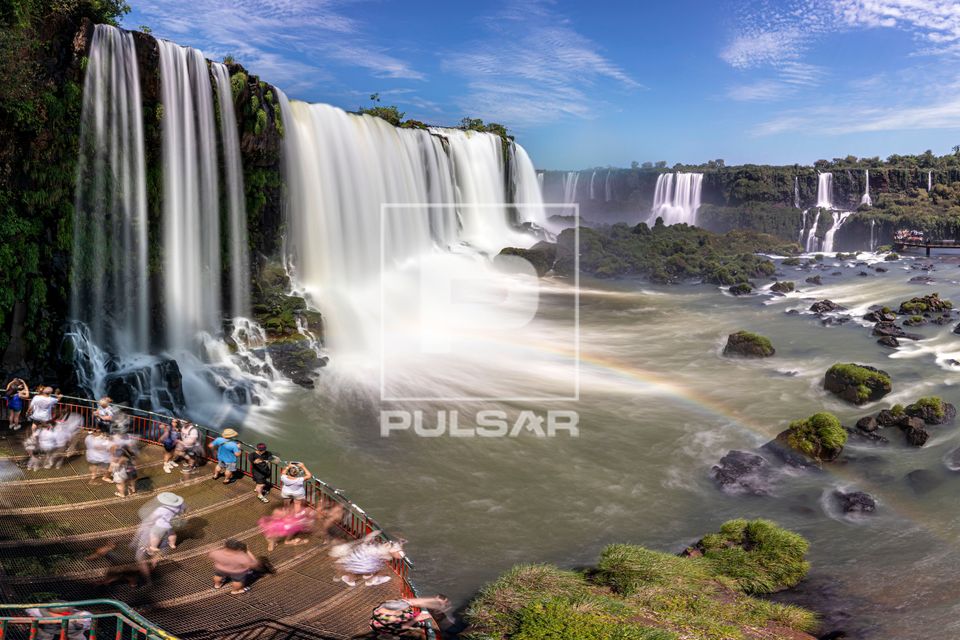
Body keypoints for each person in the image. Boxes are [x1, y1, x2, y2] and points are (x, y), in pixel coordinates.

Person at [332, 530, 406, 587]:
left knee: (356, 569)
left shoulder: (380, 536)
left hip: (363, 554)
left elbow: (367, 540)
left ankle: (352, 578)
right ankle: (369, 579)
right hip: (367, 557)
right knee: (381, 570)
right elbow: (398, 555)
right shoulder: (392, 546)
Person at [369, 596, 448, 639]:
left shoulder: (382, 607)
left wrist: (435, 599)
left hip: (391, 623)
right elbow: (405, 626)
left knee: (415, 614)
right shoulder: (394, 621)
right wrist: (418, 618)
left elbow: (411, 601)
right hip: (391, 628)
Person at [25, 605, 92, 640]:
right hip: (48, 629)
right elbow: (29, 612)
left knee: (75, 631)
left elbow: (85, 625)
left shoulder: (82, 615)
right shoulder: (39, 611)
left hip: (71, 631)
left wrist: (65, 620)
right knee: (42, 632)